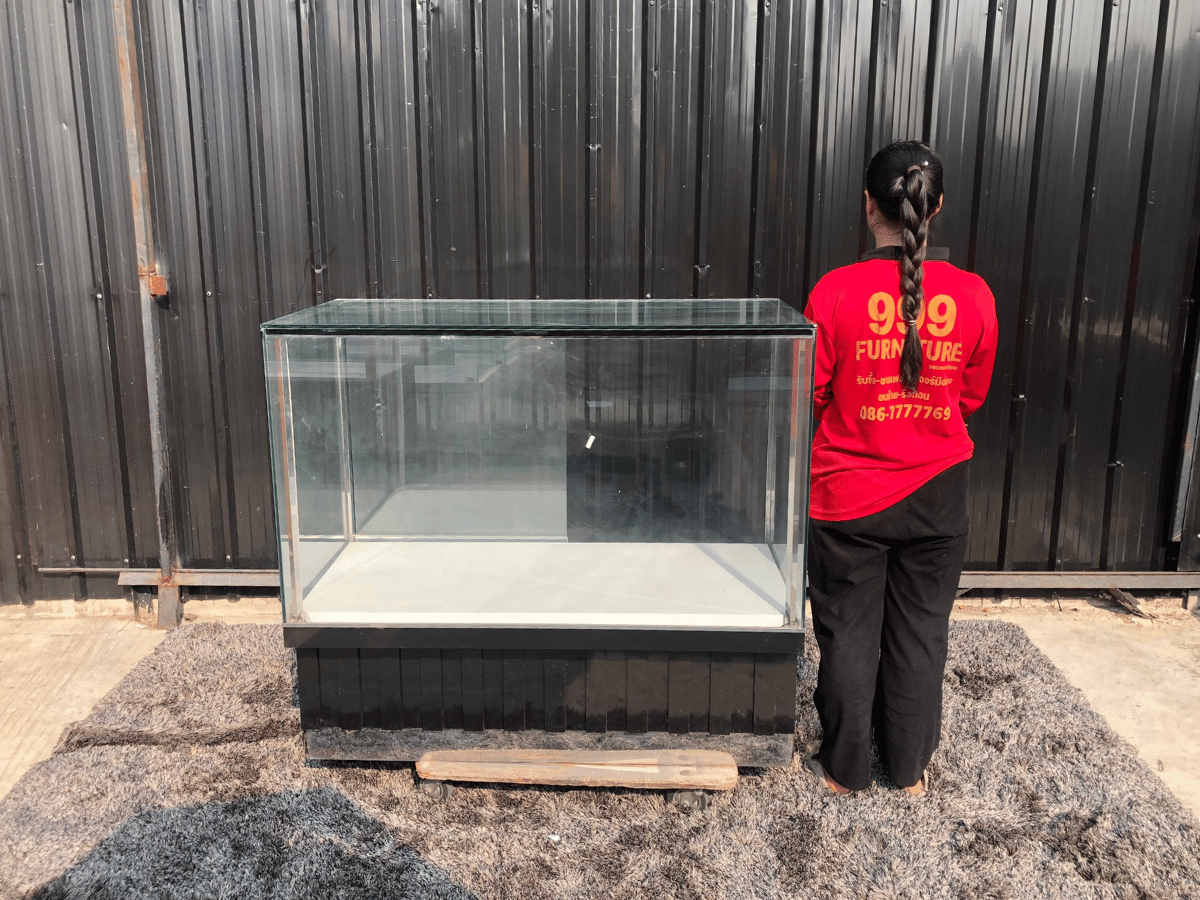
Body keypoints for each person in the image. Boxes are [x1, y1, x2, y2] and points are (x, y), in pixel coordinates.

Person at [801, 140, 999, 796]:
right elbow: (969, 397)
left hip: (847, 495)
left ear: (868, 206)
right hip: (937, 492)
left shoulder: (833, 293)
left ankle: (844, 771)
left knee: (848, 635)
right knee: (921, 633)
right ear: (935, 207)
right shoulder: (974, 296)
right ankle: (908, 771)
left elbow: (813, 394)